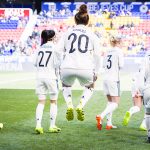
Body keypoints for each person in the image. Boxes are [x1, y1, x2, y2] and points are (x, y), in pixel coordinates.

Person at [56, 4, 101, 121]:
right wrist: (97, 71)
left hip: (67, 67)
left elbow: (57, 51)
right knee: (91, 86)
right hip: (85, 67)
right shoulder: (92, 34)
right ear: (87, 21)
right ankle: (81, 105)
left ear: (75, 20)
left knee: (66, 85)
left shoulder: (67, 32)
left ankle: (70, 104)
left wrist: (59, 67)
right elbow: (97, 55)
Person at [34, 30, 61, 134]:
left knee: (41, 102)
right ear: (53, 37)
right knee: (53, 101)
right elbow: (57, 64)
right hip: (51, 76)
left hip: (40, 77)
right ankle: (52, 125)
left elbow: (35, 63)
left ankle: (38, 125)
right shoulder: (55, 48)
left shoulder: (39, 48)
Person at [96, 34, 124, 130]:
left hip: (106, 78)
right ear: (119, 42)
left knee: (110, 102)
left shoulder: (107, 51)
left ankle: (109, 123)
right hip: (114, 79)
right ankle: (101, 115)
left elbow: (103, 65)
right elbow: (121, 65)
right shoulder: (119, 51)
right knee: (115, 103)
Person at [138, 51, 150, 143]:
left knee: (148, 114)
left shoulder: (145, 61)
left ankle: (149, 136)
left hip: (147, 88)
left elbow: (142, 76)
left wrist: (142, 90)